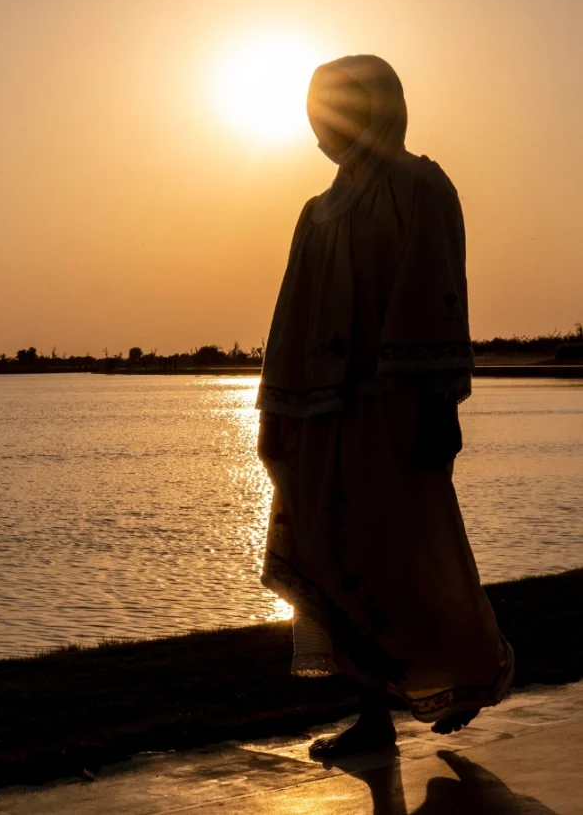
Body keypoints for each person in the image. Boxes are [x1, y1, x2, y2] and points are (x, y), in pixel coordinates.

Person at [257, 54, 513, 760]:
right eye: (314, 109)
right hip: (322, 421)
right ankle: (371, 716)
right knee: (342, 562)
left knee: (415, 562)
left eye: (336, 107)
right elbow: (291, 319)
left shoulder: (418, 188)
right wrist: (277, 414)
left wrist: (437, 402)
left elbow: (434, 291)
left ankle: (461, 677)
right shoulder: (317, 213)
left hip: (392, 414)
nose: (321, 124)